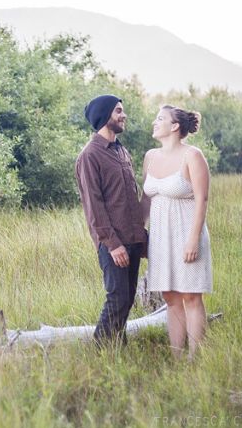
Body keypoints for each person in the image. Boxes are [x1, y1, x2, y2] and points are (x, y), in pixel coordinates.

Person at [75, 94, 148, 345]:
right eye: (118, 111)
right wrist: (113, 243)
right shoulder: (90, 155)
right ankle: (100, 350)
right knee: (117, 297)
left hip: (132, 238)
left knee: (127, 298)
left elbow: (130, 197)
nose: (123, 115)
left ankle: (118, 347)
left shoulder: (121, 151)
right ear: (105, 116)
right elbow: (94, 206)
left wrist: (141, 236)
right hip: (113, 243)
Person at [142, 105, 213, 359]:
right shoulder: (150, 156)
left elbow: (202, 199)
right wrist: (136, 233)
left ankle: (196, 358)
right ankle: (176, 356)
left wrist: (193, 239)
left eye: (159, 118)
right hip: (160, 238)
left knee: (191, 296)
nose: (154, 122)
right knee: (171, 298)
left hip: (186, 233)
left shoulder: (192, 156)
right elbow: (146, 200)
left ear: (174, 126)